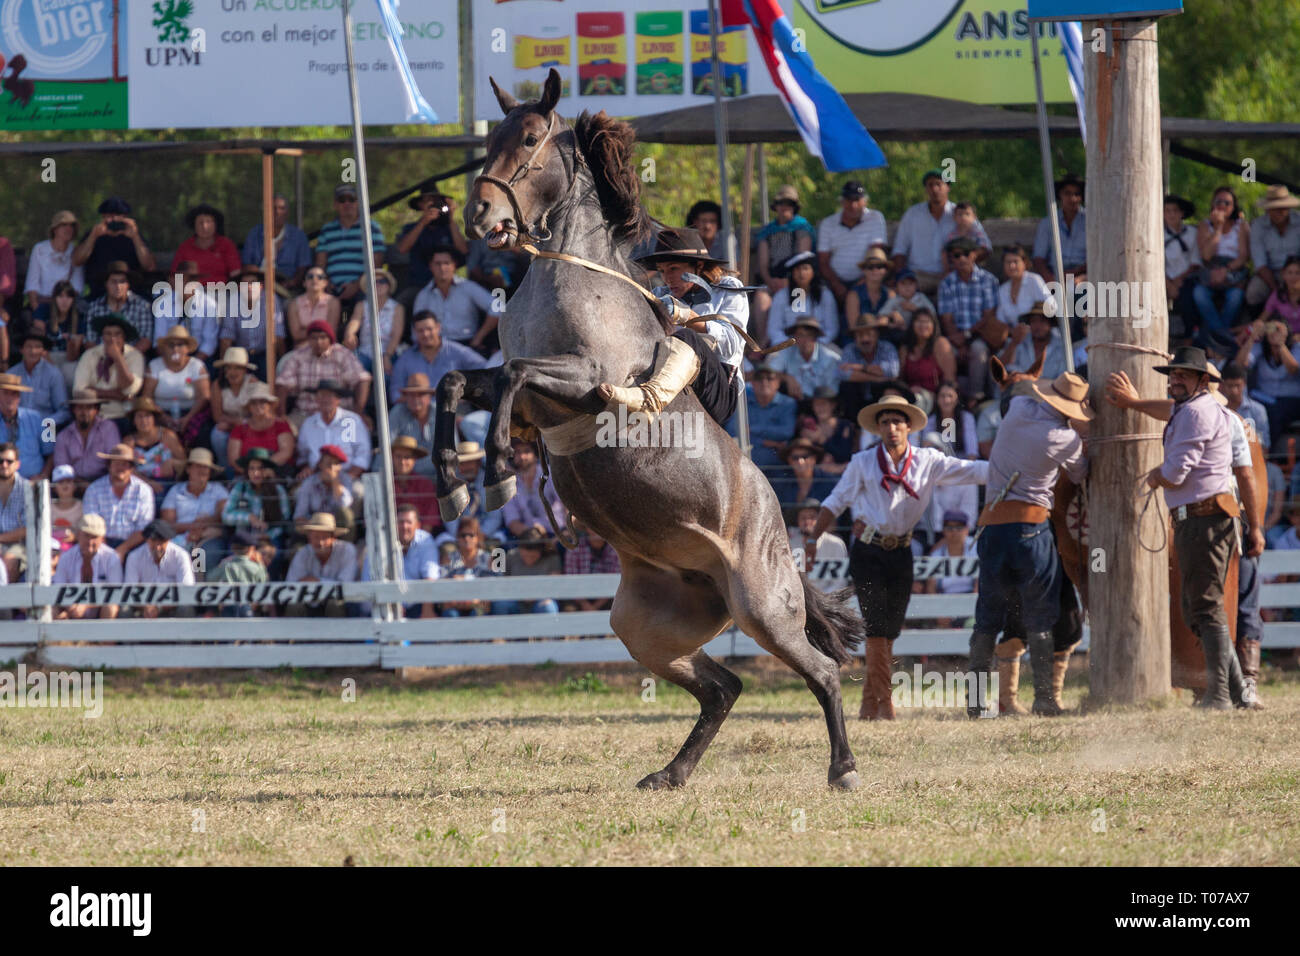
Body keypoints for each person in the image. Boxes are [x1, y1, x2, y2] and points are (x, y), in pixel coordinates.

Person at [806, 395, 989, 720]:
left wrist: (1015, 465)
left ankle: (868, 703)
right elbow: (836, 500)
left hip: (902, 550)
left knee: (891, 628)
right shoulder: (863, 461)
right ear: (878, 428)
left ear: (908, 427)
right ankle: (885, 703)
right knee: (876, 627)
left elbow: (972, 470)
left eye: (898, 421)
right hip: (868, 549)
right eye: (886, 421)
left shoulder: (927, 460)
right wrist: (812, 538)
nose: (892, 427)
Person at [1122, 347, 1262, 709]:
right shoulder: (1205, 410)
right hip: (1206, 517)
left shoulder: (1194, 413)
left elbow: (1175, 472)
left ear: (1202, 380)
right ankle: (1235, 693)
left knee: (1205, 608)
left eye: (1183, 374)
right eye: (1173, 374)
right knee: (1200, 607)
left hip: (1202, 519)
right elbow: (1168, 411)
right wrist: (1135, 403)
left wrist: (1154, 476)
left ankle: (1219, 695)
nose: (1175, 380)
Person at [968, 371, 1091, 718]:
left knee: (987, 619)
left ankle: (977, 703)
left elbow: (1021, 388)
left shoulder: (1018, 407)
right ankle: (1044, 700)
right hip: (1031, 529)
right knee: (1040, 617)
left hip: (992, 527)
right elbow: (1080, 473)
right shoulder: (1064, 437)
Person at [599, 227, 747, 425]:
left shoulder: (728, 288)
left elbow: (732, 344)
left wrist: (688, 316)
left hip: (718, 391)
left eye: (674, 269)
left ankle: (649, 400)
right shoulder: (659, 294)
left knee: (689, 337)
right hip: (675, 386)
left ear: (699, 266)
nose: (667, 278)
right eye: (662, 271)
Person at [937, 237, 1000, 400]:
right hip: (955, 337)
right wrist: (960, 341)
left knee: (978, 350)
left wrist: (966, 337)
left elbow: (988, 317)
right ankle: (948, 398)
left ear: (974, 255)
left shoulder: (988, 280)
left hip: (981, 336)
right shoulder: (947, 283)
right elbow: (947, 319)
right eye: (956, 255)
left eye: (965, 253)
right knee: (943, 348)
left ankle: (975, 398)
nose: (961, 259)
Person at [754, 185, 817, 345]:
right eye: (781, 203)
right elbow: (763, 264)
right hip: (774, 281)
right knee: (761, 296)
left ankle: (798, 341)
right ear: (776, 206)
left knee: (797, 300)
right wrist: (771, 281)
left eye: (789, 203)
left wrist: (790, 282)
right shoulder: (767, 232)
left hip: (797, 281)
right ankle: (763, 344)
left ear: (795, 206)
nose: (785, 207)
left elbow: (802, 262)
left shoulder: (803, 228)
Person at [275, 321, 371, 423]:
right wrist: (281, 415)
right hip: (305, 413)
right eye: (314, 338)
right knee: (285, 430)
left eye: (323, 337)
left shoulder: (343, 354)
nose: (318, 342)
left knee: (359, 427)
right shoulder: (299, 356)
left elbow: (363, 379)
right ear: (308, 339)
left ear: (330, 339)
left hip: (340, 413)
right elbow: (282, 384)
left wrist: (358, 412)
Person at [1193, 186, 1251, 353]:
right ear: (1213, 203)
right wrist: (1218, 228)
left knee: (1235, 297)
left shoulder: (1241, 225)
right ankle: (1224, 337)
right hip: (1210, 269)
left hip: (1233, 269)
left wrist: (1226, 270)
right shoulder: (1205, 225)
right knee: (1199, 294)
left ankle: (1215, 338)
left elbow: (1243, 256)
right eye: (1219, 202)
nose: (1223, 206)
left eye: (1227, 203)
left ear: (1234, 206)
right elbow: (1205, 255)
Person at [360, 503, 441, 619]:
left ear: (418, 525)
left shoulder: (425, 541)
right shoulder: (380, 544)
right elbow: (368, 582)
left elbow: (431, 577)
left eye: (409, 522)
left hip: (417, 605)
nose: (404, 526)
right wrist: (391, 604)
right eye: (400, 522)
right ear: (393, 525)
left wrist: (427, 609)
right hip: (385, 605)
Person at [411, 249, 497, 352]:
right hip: (435, 349)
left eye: (446, 263)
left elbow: (498, 308)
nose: (442, 268)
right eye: (437, 264)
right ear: (431, 266)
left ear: (454, 265)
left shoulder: (468, 287)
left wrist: (479, 337)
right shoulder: (423, 295)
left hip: (467, 346)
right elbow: (416, 329)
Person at [818, 181, 887, 310]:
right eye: (849, 200)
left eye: (857, 200)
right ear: (842, 202)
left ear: (865, 201)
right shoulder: (828, 223)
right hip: (833, 281)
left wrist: (861, 283)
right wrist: (836, 285)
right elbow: (823, 261)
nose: (853, 205)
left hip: (866, 279)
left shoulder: (875, 218)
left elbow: (876, 254)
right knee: (820, 298)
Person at [72, 197, 156, 300]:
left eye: (118, 217)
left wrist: (135, 237)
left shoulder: (134, 236)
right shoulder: (94, 235)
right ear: (103, 217)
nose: (114, 220)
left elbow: (149, 266)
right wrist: (93, 236)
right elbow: (76, 261)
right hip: (99, 293)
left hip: (132, 293)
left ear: (125, 218)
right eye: (110, 217)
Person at [315, 184, 386, 306]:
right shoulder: (327, 230)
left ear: (358, 203)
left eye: (351, 200)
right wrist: (326, 283)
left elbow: (377, 264)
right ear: (335, 205)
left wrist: (356, 285)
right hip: (331, 288)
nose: (347, 204)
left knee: (368, 301)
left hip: (363, 288)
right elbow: (320, 264)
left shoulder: (371, 228)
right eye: (342, 200)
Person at [84, 442, 156, 562]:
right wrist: (107, 552)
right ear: (109, 466)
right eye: (116, 463)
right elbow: (92, 524)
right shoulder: (94, 489)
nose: (121, 467)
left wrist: (122, 549)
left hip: (135, 545)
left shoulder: (144, 490)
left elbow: (144, 528)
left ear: (132, 468)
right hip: (101, 544)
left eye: (125, 464)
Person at [1234, 319, 1300, 450]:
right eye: (1271, 329)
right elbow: (1240, 365)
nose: (1274, 333)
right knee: (1250, 409)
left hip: (1291, 399)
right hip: (1264, 398)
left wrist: (1281, 344)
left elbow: (1293, 369)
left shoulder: (1296, 348)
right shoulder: (1261, 348)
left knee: (1275, 413)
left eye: (1278, 330)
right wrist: (1252, 337)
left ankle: (1266, 451)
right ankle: (1247, 450)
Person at [159, 447, 228, 572]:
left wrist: (201, 529)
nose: (202, 470)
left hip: (208, 537)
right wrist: (191, 528)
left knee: (199, 555)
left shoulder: (218, 490)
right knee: (165, 555)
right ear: (188, 469)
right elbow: (168, 523)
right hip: (179, 537)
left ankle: (197, 587)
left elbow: (224, 515)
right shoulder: (176, 491)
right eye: (198, 466)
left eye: (205, 467)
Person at [143, 326, 211, 448]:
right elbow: (147, 396)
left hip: (190, 413)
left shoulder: (197, 366)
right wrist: (163, 417)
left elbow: (204, 397)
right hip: (160, 413)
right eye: (171, 345)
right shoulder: (154, 365)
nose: (175, 349)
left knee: (203, 431)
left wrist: (187, 418)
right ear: (164, 348)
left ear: (187, 348)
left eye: (180, 345)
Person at [890, 170, 956, 296]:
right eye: (930, 185)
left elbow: (981, 245)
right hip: (918, 275)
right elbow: (899, 250)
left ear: (948, 187)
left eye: (938, 184)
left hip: (949, 275)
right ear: (926, 189)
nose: (934, 189)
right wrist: (901, 277)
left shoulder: (958, 214)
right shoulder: (913, 214)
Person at [390, 311, 486, 397]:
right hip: (416, 411)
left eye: (429, 329)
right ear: (414, 332)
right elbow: (395, 392)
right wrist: (415, 400)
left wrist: (467, 394)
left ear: (438, 327)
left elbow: (485, 370)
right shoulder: (406, 358)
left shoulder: (457, 351)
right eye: (420, 331)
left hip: (455, 409)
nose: (425, 334)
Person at [74, 312, 145, 425]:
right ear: (102, 336)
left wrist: (117, 358)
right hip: (92, 414)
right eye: (108, 334)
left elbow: (129, 390)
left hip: (121, 415)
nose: (112, 339)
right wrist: (117, 395)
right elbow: (79, 390)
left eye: (117, 334)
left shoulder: (135, 356)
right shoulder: (90, 354)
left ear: (124, 337)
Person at [295, 383, 371, 488]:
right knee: (297, 493)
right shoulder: (308, 424)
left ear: (338, 399)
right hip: (316, 476)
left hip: (347, 475)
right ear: (316, 399)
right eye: (321, 395)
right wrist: (306, 468)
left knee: (358, 492)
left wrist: (349, 477)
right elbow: (302, 456)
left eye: (330, 396)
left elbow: (363, 455)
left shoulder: (351, 420)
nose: (325, 400)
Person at [220, 264, 287, 379]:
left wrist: (282, 363)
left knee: (269, 380)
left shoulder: (271, 299)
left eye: (252, 283)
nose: (249, 287)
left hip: (265, 354)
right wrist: (223, 367)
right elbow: (227, 337)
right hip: (240, 355)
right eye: (245, 284)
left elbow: (278, 335)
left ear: (260, 286)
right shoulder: (233, 300)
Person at [285, 512, 359, 617]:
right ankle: (295, 633)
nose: (320, 542)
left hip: (343, 605)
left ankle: (340, 634)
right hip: (309, 602)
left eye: (324, 537)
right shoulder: (303, 554)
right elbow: (290, 585)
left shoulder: (347, 550)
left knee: (335, 603)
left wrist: (317, 581)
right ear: (309, 538)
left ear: (333, 538)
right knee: (294, 605)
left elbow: (346, 586)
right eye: (316, 537)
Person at [395, 191, 468, 294]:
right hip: (418, 285)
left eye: (437, 201)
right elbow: (402, 249)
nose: (434, 204)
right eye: (429, 201)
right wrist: (424, 221)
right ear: (420, 205)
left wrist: (450, 218)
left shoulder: (450, 228)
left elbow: (463, 250)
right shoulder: (410, 228)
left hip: (448, 286)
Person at [51, 514, 122, 620]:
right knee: (51, 610)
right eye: (86, 535)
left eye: (94, 537)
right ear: (78, 534)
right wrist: (71, 606)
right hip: (70, 607)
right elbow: (58, 587)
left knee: (111, 607)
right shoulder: (66, 557)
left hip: (99, 610)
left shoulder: (112, 557)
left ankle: (105, 637)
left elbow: (115, 591)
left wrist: (86, 604)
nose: (90, 542)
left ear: (102, 538)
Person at [223, 448, 293, 554]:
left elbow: (284, 520)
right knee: (235, 558)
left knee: (274, 555)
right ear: (247, 471)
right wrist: (249, 517)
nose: (256, 473)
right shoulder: (240, 487)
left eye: (260, 469)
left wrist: (268, 535)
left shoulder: (278, 490)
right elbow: (226, 516)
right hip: (243, 538)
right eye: (252, 469)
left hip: (269, 538)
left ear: (267, 470)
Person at [151, 261, 222, 364]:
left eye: (192, 280)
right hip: (169, 354)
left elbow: (209, 342)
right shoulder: (162, 304)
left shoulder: (209, 305)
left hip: (199, 355)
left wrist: (193, 364)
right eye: (183, 280)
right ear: (174, 282)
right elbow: (159, 340)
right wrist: (172, 361)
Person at [123, 519, 196, 617]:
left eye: (161, 541)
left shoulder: (181, 556)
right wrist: (146, 606)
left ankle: (187, 633)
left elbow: (186, 590)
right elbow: (130, 590)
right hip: (143, 607)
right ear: (147, 540)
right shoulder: (134, 557)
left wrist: (159, 607)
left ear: (168, 540)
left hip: (172, 607)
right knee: (124, 608)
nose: (157, 547)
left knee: (186, 606)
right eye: (153, 541)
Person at [731, 363, 796, 469]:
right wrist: (764, 442)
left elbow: (787, 432)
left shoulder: (788, 403)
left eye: (770, 378)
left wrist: (752, 429)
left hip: (778, 467)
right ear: (752, 383)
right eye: (759, 378)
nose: (764, 382)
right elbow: (732, 431)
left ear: (778, 383)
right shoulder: (742, 401)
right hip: (745, 465)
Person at [1246, 185, 1300, 311]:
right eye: (1275, 208)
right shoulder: (1258, 226)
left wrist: (1294, 277)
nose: (1279, 212)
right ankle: (1258, 323)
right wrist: (1278, 290)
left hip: (1297, 271)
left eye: (1282, 207)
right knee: (1253, 293)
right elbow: (1260, 263)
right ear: (1268, 209)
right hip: (1270, 273)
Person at [342, 267, 405, 375]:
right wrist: (350, 334)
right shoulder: (362, 305)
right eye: (374, 282)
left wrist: (387, 356)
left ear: (389, 286)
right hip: (365, 352)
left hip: (388, 351)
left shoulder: (397, 308)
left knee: (386, 378)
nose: (378, 284)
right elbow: (354, 321)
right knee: (354, 374)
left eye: (382, 281)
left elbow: (396, 335)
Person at [242, 193, 313, 289]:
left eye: (281, 208)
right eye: (273, 208)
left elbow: (303, 268)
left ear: (287, 212)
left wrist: (291, 283)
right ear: (266, 211)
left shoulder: (298, 236)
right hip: (257, 284)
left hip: (285, 286)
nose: (277, 212)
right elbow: (246, 264)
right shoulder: (254, 234)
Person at [768, 251, 839, 345]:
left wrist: (815, 344)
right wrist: (789, 345)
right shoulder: (781, 296)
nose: (801, 273)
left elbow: (832, 329)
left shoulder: (825, 294)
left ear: (813, 271)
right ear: (792, 273)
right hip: (788, 346)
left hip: (820, 345)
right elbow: (774, 329)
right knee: (772, 359)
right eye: (797, 269)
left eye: (805, 268)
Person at [500, 440, 567, 540]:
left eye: (527, 451)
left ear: (536, 454)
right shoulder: (509, 483)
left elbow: (569, 506)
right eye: (517, 452)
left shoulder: (551, 473)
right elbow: (512, 521)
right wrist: (533, 534)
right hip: (530, 536)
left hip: (561, 532)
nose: (522, 457)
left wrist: (566, 532)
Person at [83, 261, 154, 354]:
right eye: (113, 282)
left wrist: (125, 358)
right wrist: (103, 358)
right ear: (106, 284)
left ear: (128, 284)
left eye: (122, 282)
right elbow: (90, 341)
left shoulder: (142, 306)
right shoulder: (94, 307)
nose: (118, 286)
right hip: (101, 358)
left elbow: (146, 340)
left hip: (132, 358)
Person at [226, 383, 294, 476]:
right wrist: (252, 473)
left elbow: (286, 452)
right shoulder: (240, 428)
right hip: (246, 476)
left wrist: (261, 470)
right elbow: (233, 459)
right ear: (248, 407)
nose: (258, 405)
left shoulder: (281, 425)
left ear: (270, 404)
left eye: (262, 401)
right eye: (253, 402)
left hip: (276, 474)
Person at [23, 210, 84, 313]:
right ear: (55, 229)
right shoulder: (40, 249)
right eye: (64, 225)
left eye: (72, 225)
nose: (68, 228)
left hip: (66, 307)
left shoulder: (76, 252)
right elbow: (32, 284)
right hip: (41, 303)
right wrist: (37, 311)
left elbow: (77, 287)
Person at [210, 347, 261, 466]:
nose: (233, 372)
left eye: (237, 368)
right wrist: (235, 423)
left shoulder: (252, 382)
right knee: (217, 434)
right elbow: (217, 416)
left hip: (250, 424)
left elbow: (257, 413)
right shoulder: (217, 385)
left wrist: (241, 423)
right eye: (229, 368)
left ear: (245, 370)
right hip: (229, 424)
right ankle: (225, 468)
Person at [53, 390, 120, 482]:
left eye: (89, 408)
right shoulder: (63, 436)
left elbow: (115, 461)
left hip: (105, 482)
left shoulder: (108, 428)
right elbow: (61, 469)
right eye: (80, 408)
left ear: (96, 410)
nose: (84, 412)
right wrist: (81, 485)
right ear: (73, 410)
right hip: (73, 485)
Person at [786, 497, 849, 594]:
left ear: (820, 520)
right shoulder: (790, 544)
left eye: (812, 517)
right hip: (799, 600)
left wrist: (821, 601)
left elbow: (840, 583)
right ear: (797, 521)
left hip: (829, 601)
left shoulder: (835, 544)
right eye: (803, 518)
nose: (807, 522)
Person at [768, 317, 840, 402]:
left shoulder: (830, 359)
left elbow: (832, 392)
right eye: (800, 335)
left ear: (815, 338)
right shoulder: (787, 352)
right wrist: (787, 378)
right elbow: (769, 371)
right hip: (794, 401)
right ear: (795, 337)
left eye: (809, 335)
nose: (805, 340)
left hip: (822, 403)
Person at [1032, 174, 1088, 283]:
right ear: (1060, 195)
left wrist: (1076, 274)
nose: (1072, 198)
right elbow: (1039, 259)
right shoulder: (1048, 222)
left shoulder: (1090, 221)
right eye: (1067, 193)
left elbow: (1095, 257)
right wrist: (1050, 279)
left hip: (1083, 276)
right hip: (1053, 275)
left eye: (1077, 194)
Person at [9, 331, 69, 427]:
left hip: (45, 426)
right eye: (29, 346)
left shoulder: (54, 374)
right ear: (21, 349)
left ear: (43, 351)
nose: (33, 351)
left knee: (48, 438)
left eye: (37, 347)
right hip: (16, 426)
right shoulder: (11, 374)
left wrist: (44, 423)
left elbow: (64, 411)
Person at [170, 204, 240, 286]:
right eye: (200, 222)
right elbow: (173, 277)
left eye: (209, 222)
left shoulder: (226, 245)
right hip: (191, 294)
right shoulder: (185, 247)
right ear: (194, 225)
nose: (205, 226)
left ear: (216, 224)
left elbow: (236, 274)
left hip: (222, 293)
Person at [30, 279, 83, 387]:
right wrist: (53, 368)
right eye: (60, 296)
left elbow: (72, 357)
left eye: (68, 297)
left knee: (70, 374)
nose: (64, 301)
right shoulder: (43, 311)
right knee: (45, 372)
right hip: (45, 355)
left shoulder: (79, 318)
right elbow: (38, 342)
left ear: (73, 299)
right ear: (54, 298)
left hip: (67, 359)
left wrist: (71, 343)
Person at [0, 372, 53, 479]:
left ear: (19, 397)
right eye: (6, 393)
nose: (10, 398)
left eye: (14, 393)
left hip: (34, 483)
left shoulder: (40, 419)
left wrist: (43, 475)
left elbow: (52, 453)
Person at [497, 527, 561, 615]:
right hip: (516, 601)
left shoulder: (552, 559)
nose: (528, 560)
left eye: (533, 557)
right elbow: (504, 583)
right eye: (525, 556)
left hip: (540, 601)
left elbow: (554, 585)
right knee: (501, 605)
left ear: (541, 551)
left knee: (548, 607)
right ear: (519, 549)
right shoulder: (511, 556)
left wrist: (538, 596)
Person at [999, 302, 1068, 384]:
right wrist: (1014, 343)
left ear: (1050, 324)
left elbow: (1062, 379)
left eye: (1042, 321)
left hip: (1049, 394)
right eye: (1034, 321)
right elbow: (1001, 371)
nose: (1037, 326)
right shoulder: (1019, 341)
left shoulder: (1061, 347)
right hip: (1020, 393)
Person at [441, 516, 497, 617]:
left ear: (478, 537)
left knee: (477, 614)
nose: (467, 538)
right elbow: (443, 589)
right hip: (454, 605)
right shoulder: (448, 558)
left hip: (479, 606)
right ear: (457, 537)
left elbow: (491, 591)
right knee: (451, 615)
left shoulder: (488, 558)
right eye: (463, 535)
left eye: (471, 535)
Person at [208, 530, 269, 617]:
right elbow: (264, 582)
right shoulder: (257, 568)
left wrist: (221, 565)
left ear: (232, 548)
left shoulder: (226, 565)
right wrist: (261, 564)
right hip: (248, 607)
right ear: (251, 549)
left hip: (228, 606)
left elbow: (210, 578)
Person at [293, 444, 355, 529]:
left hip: (339, 526)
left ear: (340, 467)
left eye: (336, 464)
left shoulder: (345, 479)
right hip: (315, 527)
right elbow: (299, 515)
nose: (332, 468)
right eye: (329, 464)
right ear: (320, 464)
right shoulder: (309, 483)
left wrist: (335, 482)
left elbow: (346, 505)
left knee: (345, 514)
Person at [898, 308, 955, 399]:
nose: (923, 325)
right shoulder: (905, 349)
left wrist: (935, 395)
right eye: (919, 321)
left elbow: (950, 379)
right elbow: (900, 379)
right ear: (912, 325)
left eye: (927, 321)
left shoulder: (940, 344)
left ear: (934, 326)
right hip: (911, 396)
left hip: (936, 398)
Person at [1164, 194, 1201, 328]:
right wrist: (1170, 284)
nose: (1171, 215)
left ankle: (1192, 334)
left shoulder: (1193, 232)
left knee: (1190, 295)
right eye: (1167, 211)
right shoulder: (1158, 235)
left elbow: (1196, 262)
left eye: (1175, 210)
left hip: (1189, 278)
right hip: (1165, 280)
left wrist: (1179, 281)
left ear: (1182, 213)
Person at [389, 374, 437, 476]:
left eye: (421, 394)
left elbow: (452, 450)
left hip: (438, 477)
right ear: (405, 397)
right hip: (405, 477)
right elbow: (388, 447)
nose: (416, 399)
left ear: (429, 397)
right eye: (411, 395)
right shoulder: (397, 412)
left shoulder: (441, 413)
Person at [391, 435, 440, 533]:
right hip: (388, 538)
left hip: (420, 539)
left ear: (414, 460)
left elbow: (429, 522)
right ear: (391, 457)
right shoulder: (382, 484)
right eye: (398, 456)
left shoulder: (425, 484)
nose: (402, 461)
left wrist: (417, 542)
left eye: (407, 457)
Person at [843, 248, 892, 343]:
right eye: (870, 267)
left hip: (884, 343)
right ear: (864, 270)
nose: (875, 270)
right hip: (858, 343)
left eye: (880, 266)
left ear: (885, 270)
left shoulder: (890, 294)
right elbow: (854, 328)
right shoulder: (853, 295)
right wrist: (881, 323)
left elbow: (898, 322)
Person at [996, 243, 1049, 329]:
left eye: (1015, 262)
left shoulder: (1034, 280)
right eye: (1008, 262)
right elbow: (1000, 320)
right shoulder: (1003, 290)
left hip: (1038, 334)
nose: (1012, 266)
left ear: (1024, 263)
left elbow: (1050, 308)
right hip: (1014, 337)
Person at [286, 266, 342, 345]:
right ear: (304, 283)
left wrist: (305, 330)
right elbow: (296, 335)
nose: (314, 279)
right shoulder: (294, 304)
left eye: (320, 277)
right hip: (301, 350)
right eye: (310, 277)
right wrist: (320, 329)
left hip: (327, 349)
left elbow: (330, 331)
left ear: (325, 283)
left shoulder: (333, 302)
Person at [1218, 361, 1269, 443]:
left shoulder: (1258, 410)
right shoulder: (1217, 409)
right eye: (1230, 386)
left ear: (1244, 384)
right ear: (1222, 385)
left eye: (1238, 385)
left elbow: (1263, 444)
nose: (1234, 391)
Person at [0, 442, 27, 584]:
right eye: (0, 461)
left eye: (9, 461)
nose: (4, 465)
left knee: (8, 562)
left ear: (17, 464)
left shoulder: (27, 489)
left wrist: (1, 538)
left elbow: (27, 530)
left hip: (20, 545)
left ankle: (5, 605)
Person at [938, 201, 992, 272]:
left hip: (975, 269)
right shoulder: (951, 236)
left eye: (967, 214)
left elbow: (985, 248)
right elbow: (944, 252)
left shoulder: (977, 233)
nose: (963, 217)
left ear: (974, 218)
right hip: (954, 270)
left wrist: (969, 256)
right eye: (960, 214)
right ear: (954, 217)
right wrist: (947, 270)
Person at [1255, 254, 1300, 336]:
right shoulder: (1277, 295)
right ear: (1283, 275)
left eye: (1298, 273)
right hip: (1280, 339)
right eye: (1290, 272)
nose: (1293, 277)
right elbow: (1261, 321)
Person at [49, 463, 82, 546]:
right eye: (60, 482)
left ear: (75, 485)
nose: (65, 485)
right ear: (54, 488)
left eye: (68, 481)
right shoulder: (48, 508)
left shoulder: (81, 507)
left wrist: (75, 537)